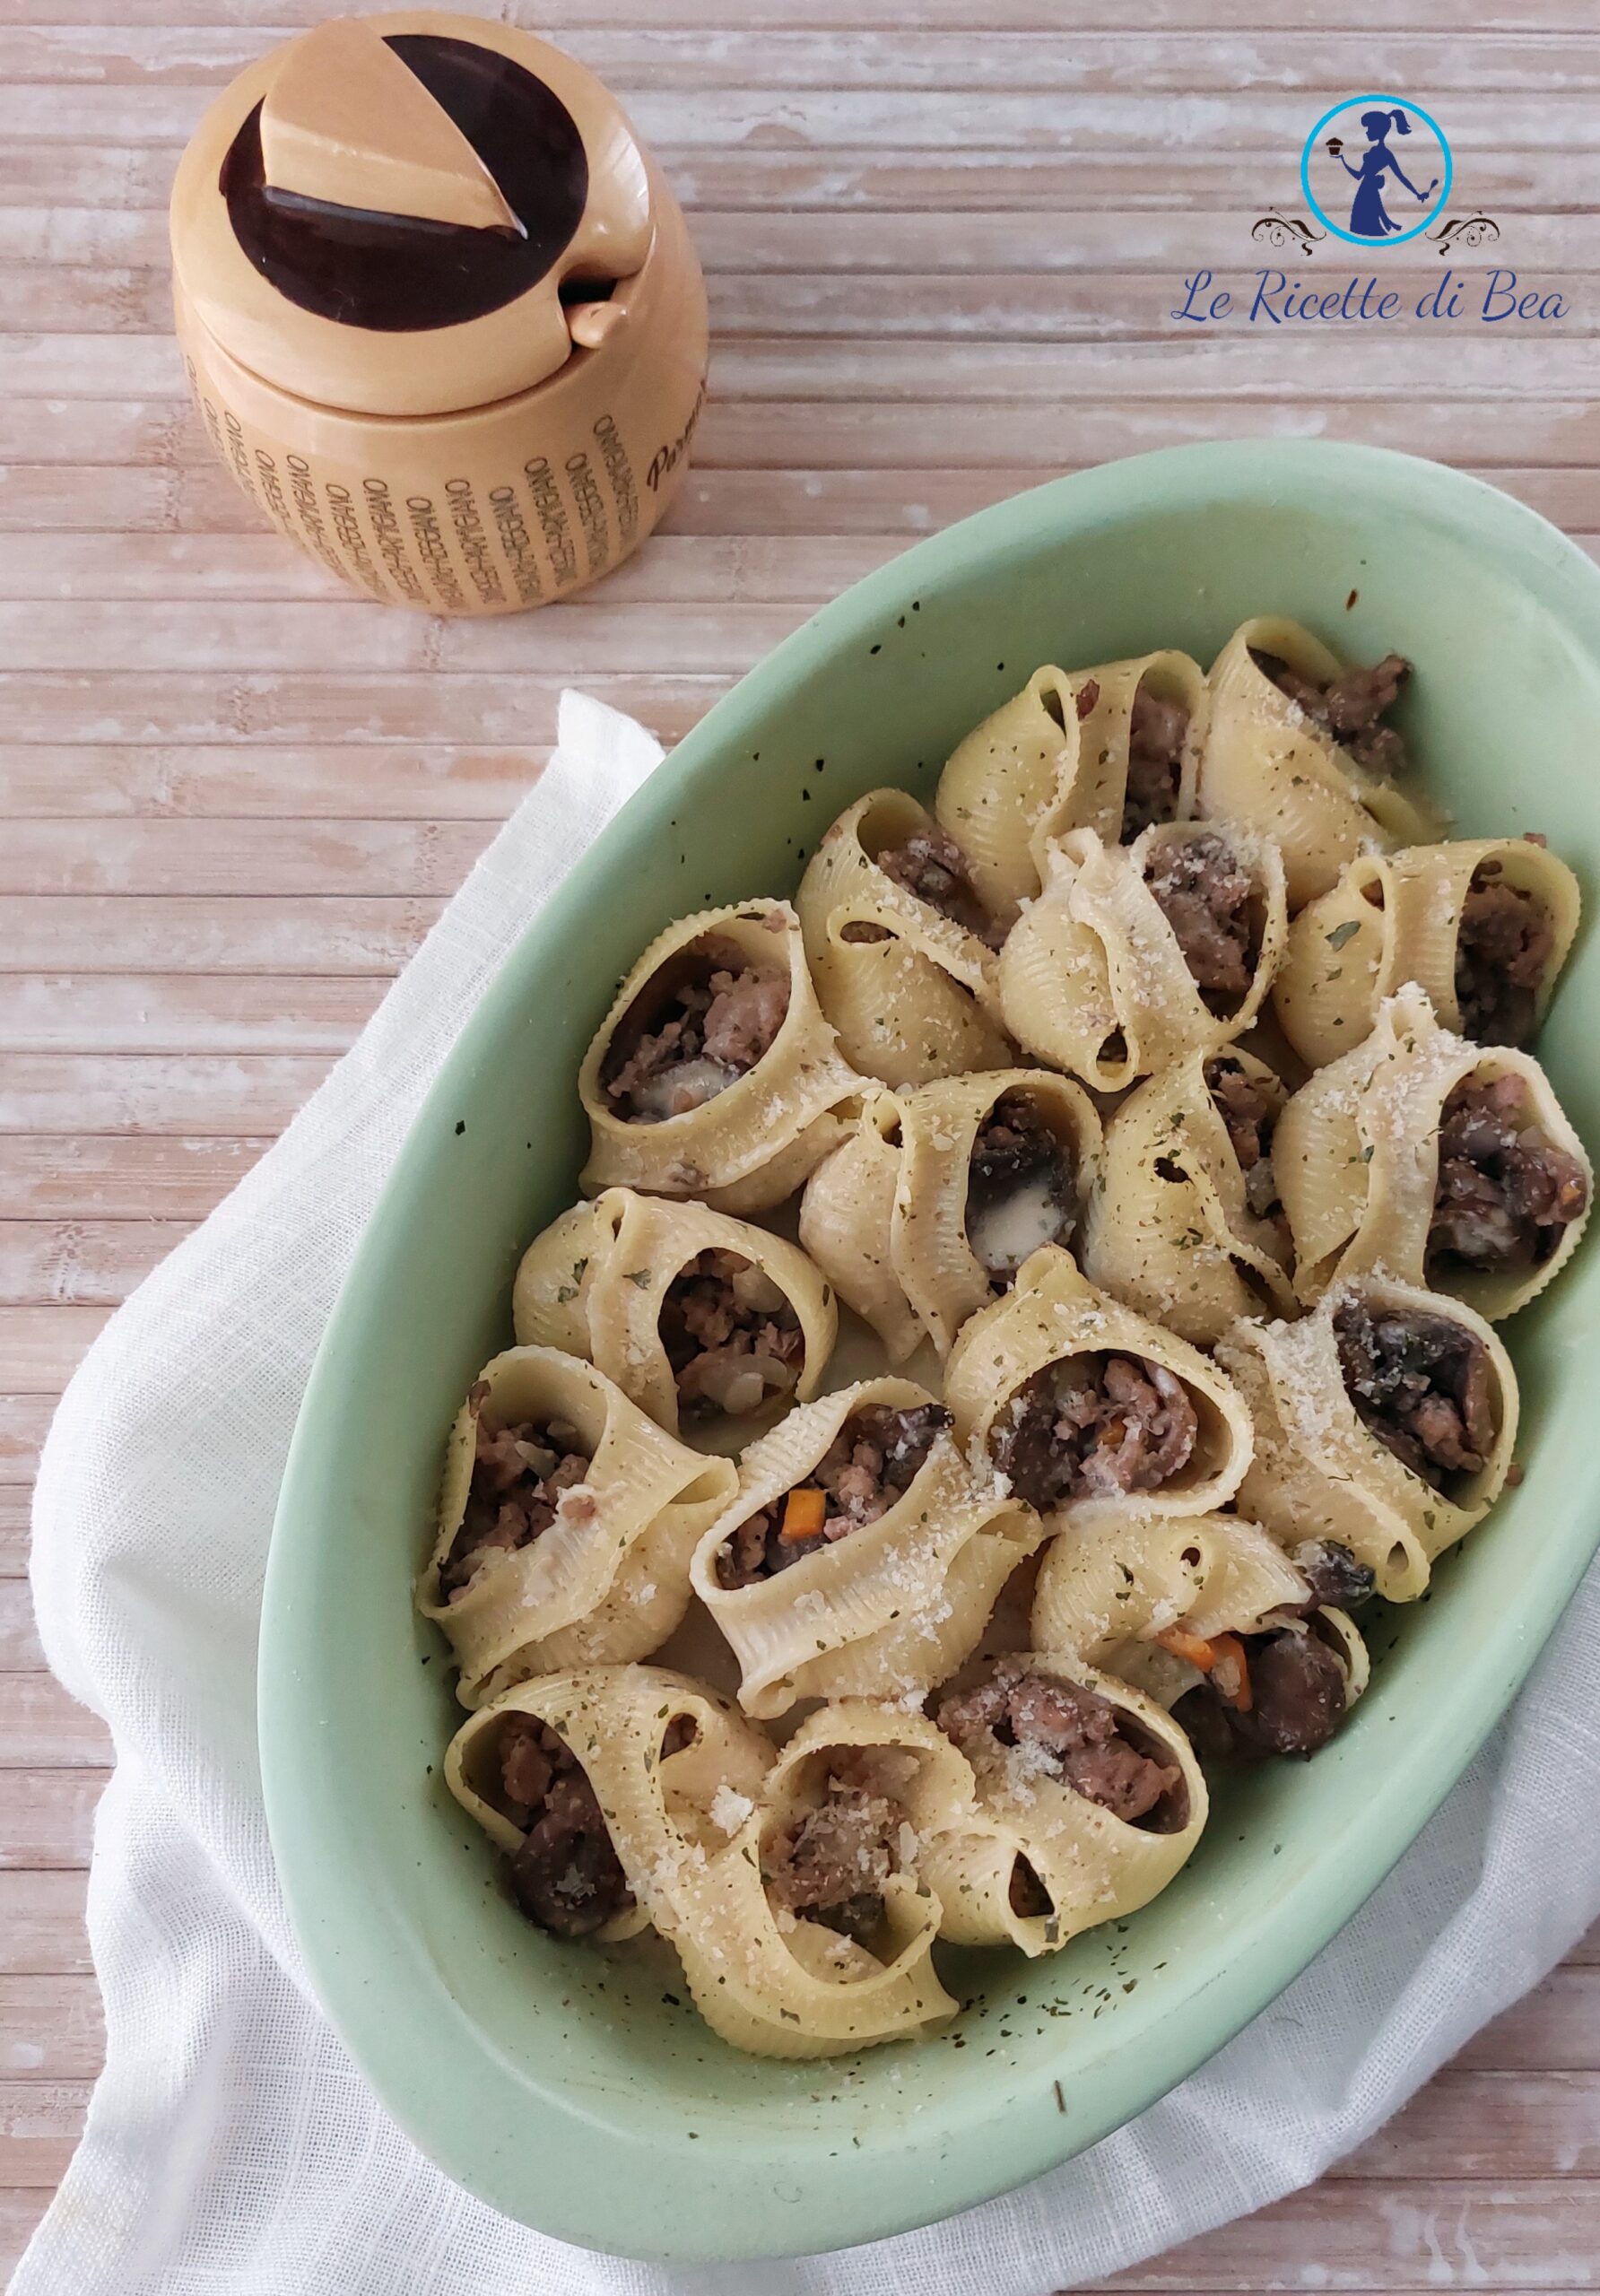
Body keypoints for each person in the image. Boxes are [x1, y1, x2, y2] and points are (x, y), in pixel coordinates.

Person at [1330, 108, 1437, 238]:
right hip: (1365, 190)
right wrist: (1342, 161)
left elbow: (1400, 176)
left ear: (1378, 131)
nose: (1367, 132)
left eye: (1369, 129)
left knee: (1368, 227)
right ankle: (1388, 226)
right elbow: (1358, 176)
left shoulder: (1385, 154)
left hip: (1367, 190)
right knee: (1366, 226)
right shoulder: (1375, 151)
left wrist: (1416, 193)